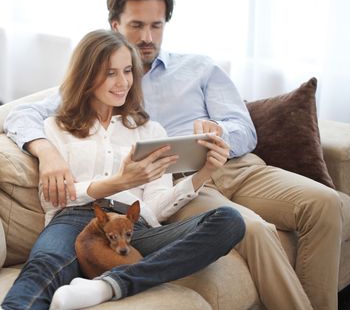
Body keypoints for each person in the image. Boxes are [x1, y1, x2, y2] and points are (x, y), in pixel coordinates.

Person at [3, 0, 342, 310]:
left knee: (284, 213)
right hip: (121, 200)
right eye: (136, 26)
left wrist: (210, 152)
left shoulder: (170, 105)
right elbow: (33, 148)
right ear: (114, 26)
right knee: (46, 267)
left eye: (156, 25)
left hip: (186, 193)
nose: (147, 38)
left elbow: (236, 135)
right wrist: (61, 159)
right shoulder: (67, 115)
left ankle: (111, 286)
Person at [1, 30, 245, 310]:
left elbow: (156, 206)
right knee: (44, 267)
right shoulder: (56, 127)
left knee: (229, 221)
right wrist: (119, 181)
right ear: (87, 75)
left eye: (128, 71)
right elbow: (55, 198)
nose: (123, 82)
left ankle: (108, 286)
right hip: (75, 219)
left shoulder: (151, 131)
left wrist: (204, 172)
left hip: (136, 228)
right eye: (110, 73)